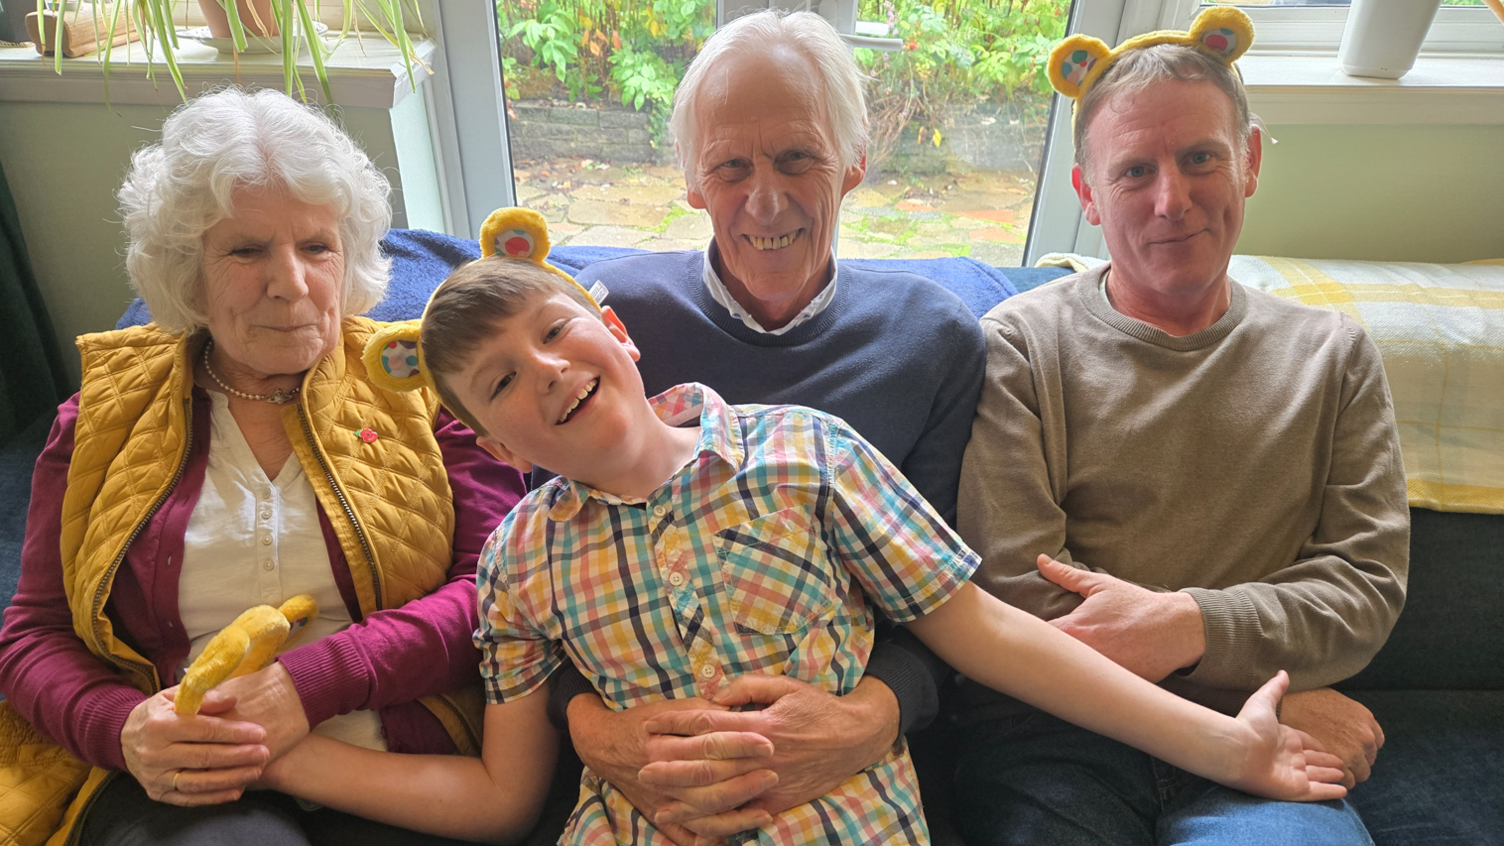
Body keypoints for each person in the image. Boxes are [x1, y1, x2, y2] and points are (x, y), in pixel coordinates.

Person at [254, 250, 1347, 846]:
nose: (542, 370)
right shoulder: (517, 561)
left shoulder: (806, 455)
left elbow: (994, 635)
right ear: (492, 441)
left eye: (554, 330)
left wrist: (1227, 747)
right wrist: (285, 756)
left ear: (617, 333)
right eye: (500, 382)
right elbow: (501, 797)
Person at [0, 87, 527, 845]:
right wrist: (120, 729)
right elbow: (33, 632)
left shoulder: (424, 384)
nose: (293, 282)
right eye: (247, 251)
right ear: (189, 272)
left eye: (317, 246)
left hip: (399, 756)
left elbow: (499, 590)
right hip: (192, 779)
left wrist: (306, 686)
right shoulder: (101, 418)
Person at [949, 10, 1409, 846]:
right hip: (1060, 737)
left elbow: (1365, 588)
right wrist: (1222, 701)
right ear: (1087, 195)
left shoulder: (1333, 355)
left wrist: (1187, 626)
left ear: (1252, 161)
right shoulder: (1018, 346)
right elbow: (1020, 593)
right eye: (1133, 171)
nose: (1172, 199)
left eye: (1201, 158)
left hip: (1269, 734)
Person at [555, 11, 985, 840]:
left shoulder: (933, 339)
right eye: (729, 166)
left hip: (846, 774)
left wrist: (870, 718)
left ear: (855, 162)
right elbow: (543, 565)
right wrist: (591, 729)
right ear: (689, 180)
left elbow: (952, 594)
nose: (765, 199)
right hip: (652, 780)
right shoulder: (604, 328)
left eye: (798, 157)